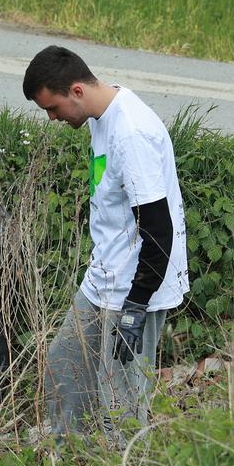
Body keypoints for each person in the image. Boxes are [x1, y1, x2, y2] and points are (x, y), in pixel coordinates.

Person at [21, 45, 190, 441]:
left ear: (76, 90)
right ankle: (66, 454)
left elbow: (158, 229)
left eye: (53, 108)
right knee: (65, 363)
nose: (52, 118)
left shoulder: (131, 132)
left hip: (135, 288)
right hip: (104, 278)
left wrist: (135, 307)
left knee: (122, 401)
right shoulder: (101, 115)